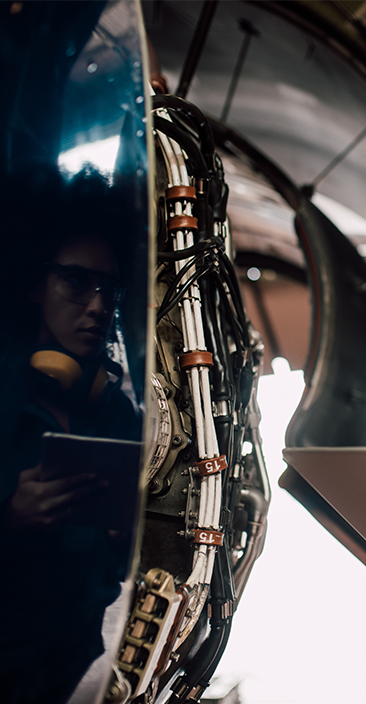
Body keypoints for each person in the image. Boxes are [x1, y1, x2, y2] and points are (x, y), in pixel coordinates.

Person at [0, 168, 142, 704]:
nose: (98, 307)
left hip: (71, 665)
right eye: (77, 282)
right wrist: (9, 515)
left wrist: (122, 538)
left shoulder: (117, 414)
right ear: (36, 284)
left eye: (110, 289)